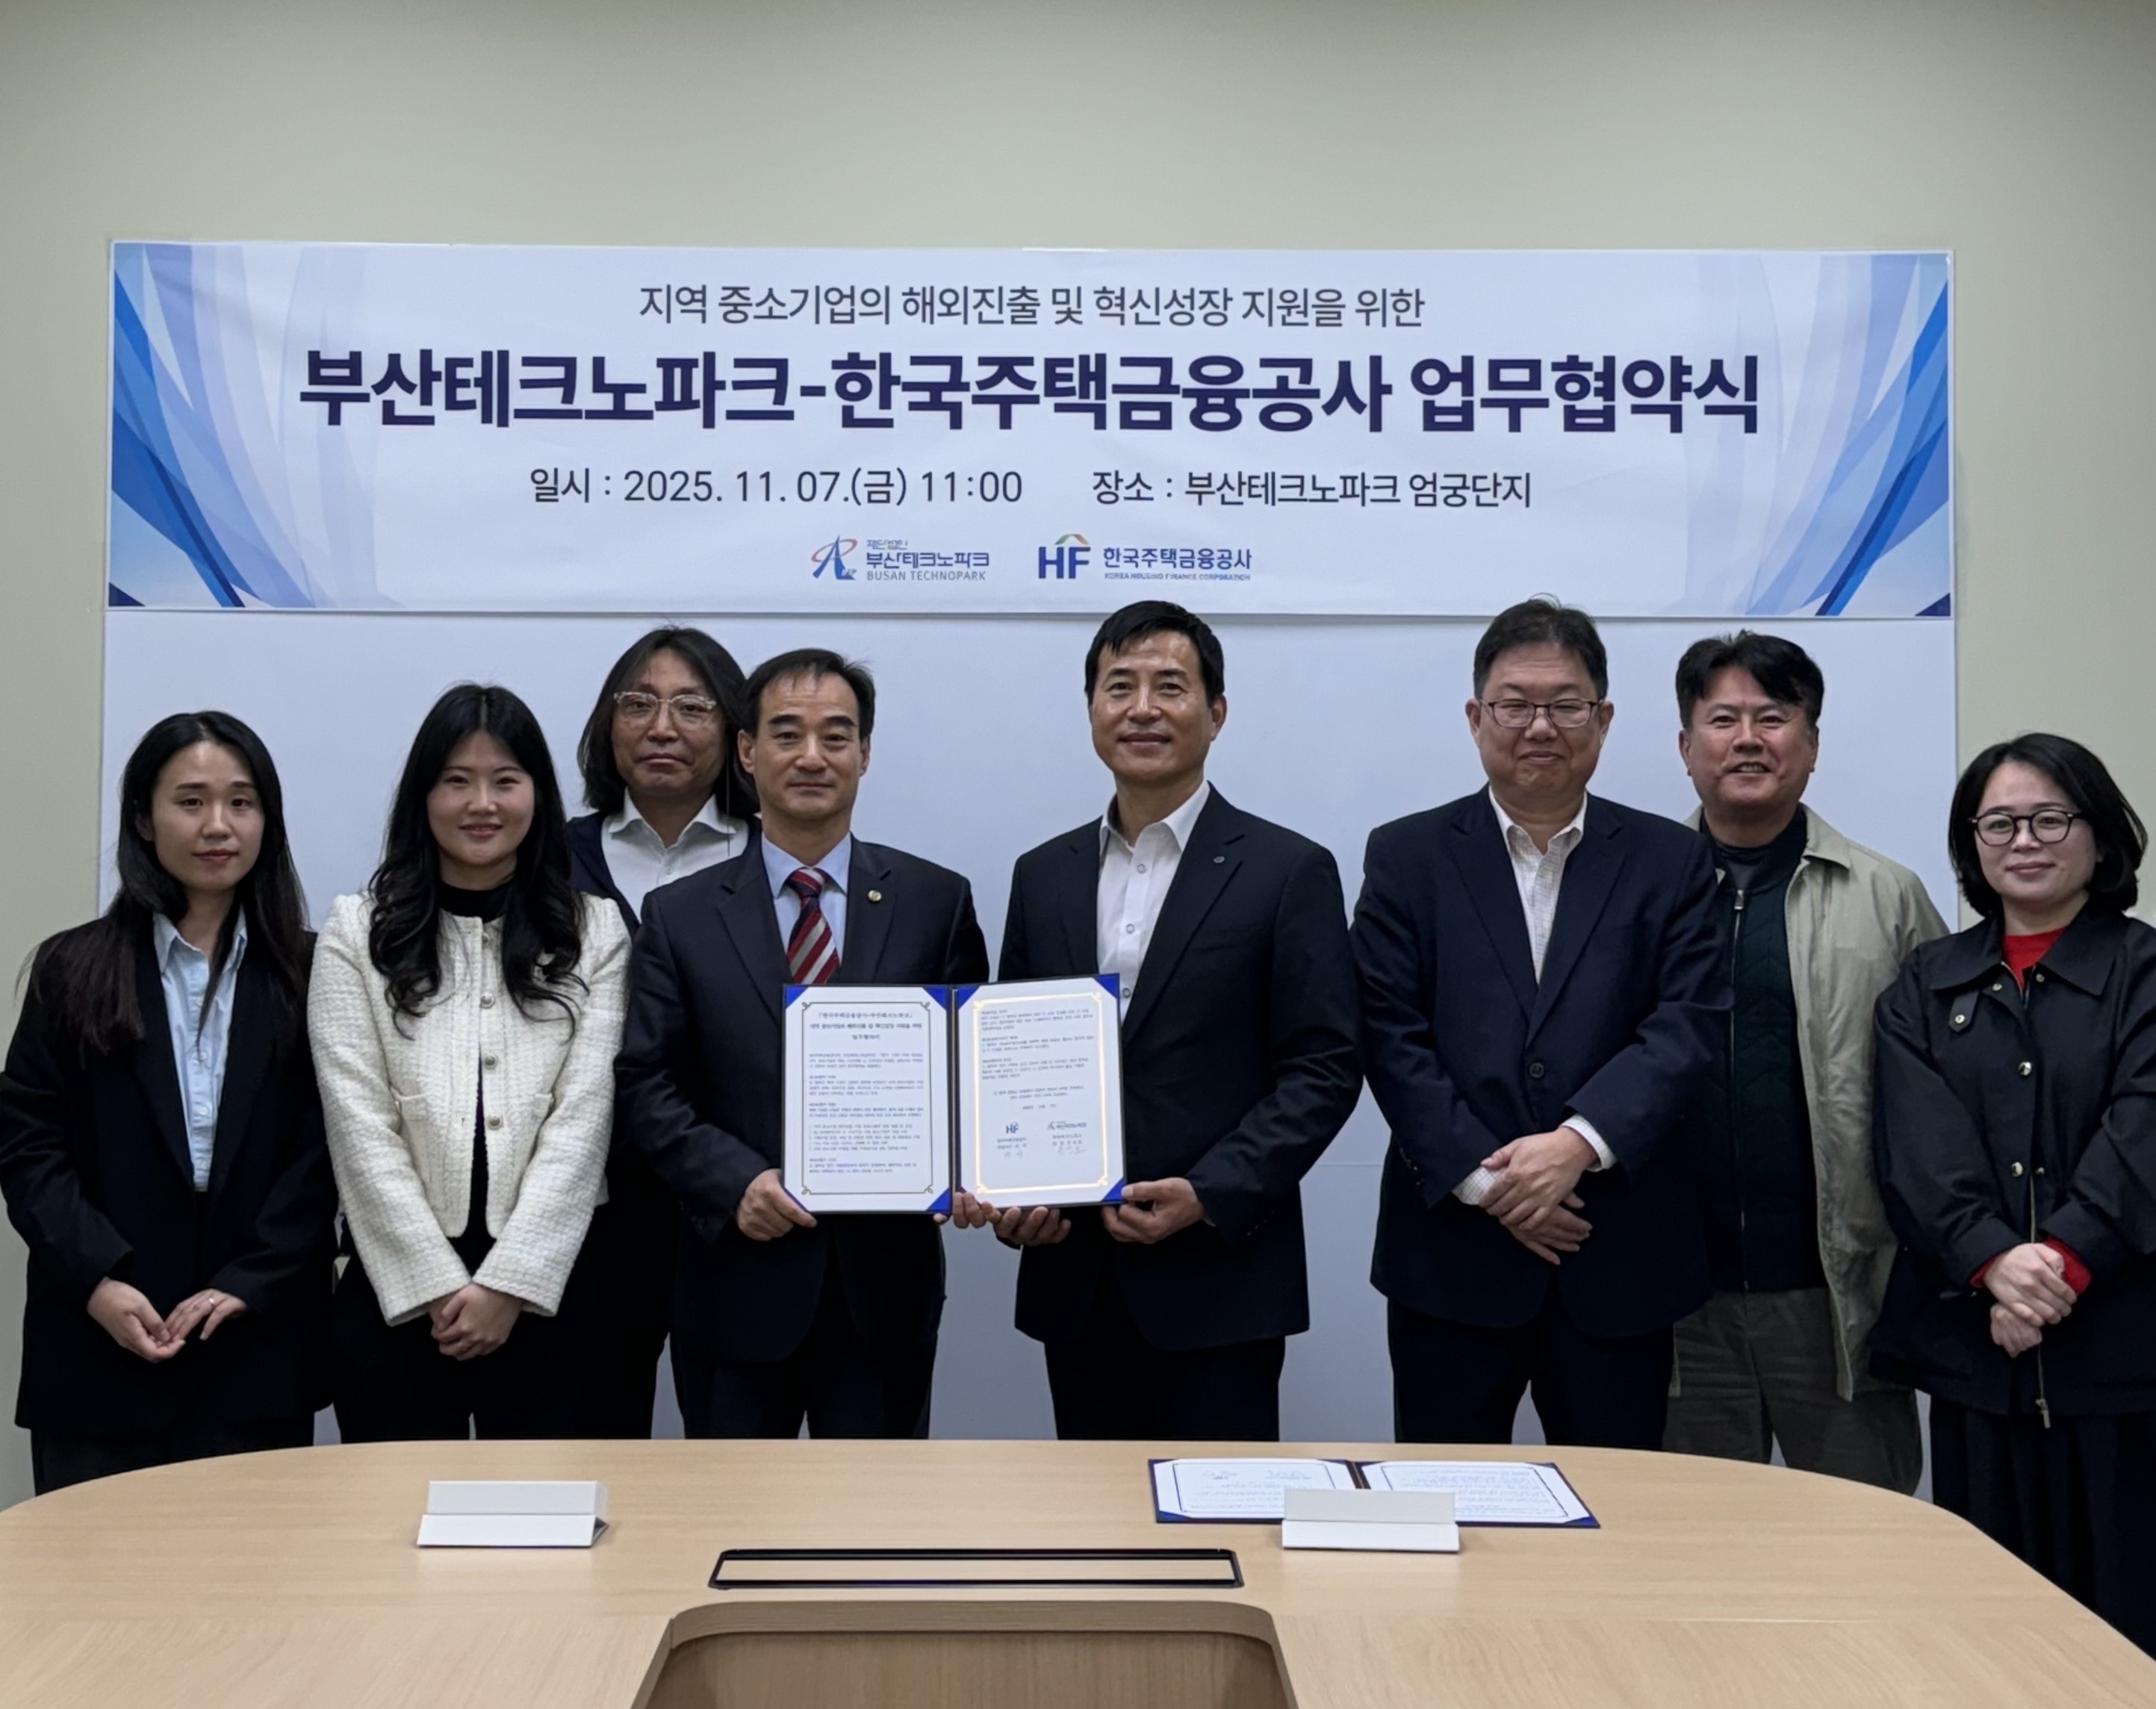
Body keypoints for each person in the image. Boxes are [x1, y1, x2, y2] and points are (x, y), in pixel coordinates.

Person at [966, 602, 1361, 1442]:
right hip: (1075, 1275)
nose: (1142, 708)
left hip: (1220, 1276)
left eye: (1169, 687)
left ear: (1215, 713)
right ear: (1091, 711)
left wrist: (1209, 1193)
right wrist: (1015, 1194)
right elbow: (1009, 1062)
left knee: (1218, 1512)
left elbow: (1323, 1068)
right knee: (1090, 1519)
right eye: (1119, 687)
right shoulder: (1042, 875)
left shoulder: (1287, 870)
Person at [1354, 597, 1725, 1449]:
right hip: (1451, 1257)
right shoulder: (1406, 856)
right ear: (1475, 717)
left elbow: (1685, 1026)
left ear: (1603, 720)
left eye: (1565, 704)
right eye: (1514, 704)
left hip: (1614, 1249)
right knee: (1445, 1502)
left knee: (1618, 1509)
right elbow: (1388, 1032)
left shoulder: (1671, 861)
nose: (1539, 726)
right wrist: (1489, 1184)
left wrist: (1576, 1146)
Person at [616, 648, 989, 1438]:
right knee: (731, 1507)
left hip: (883, 1290)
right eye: (787, 734)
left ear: (864, 753)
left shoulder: (936, 902)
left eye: (836, 735)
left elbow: (971, 1078)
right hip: (734, 1281)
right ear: (747, 752)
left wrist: (971, 1166)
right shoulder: (680, 915)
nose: (812, 756)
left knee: (879, 1514)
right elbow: (646, 1083)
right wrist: (735, 1182)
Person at [1873, 734, 2156, 1653]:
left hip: (2121, 1359)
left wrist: (2057, 1263)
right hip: (1978, 1357)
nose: (2023, 841)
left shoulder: (2145, 972)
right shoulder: (1925, 983)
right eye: (1997, 823)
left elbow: (2143, 1134)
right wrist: (1993, 1261)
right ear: (1971, 843)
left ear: (2099, 834)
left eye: (2048, 819)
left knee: (2126, 1625)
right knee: (1992, 1634)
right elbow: (1917, 1149)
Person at [0, 713, 333, 1493]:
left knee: (251, 1567)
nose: (218, 825)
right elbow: (27, 1143)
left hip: (256, 1349)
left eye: (241, 802)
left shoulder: (314, 971)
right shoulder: (72, 968)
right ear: (145, 821)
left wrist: (252, 1281)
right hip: (98, 1348)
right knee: (95, 1571)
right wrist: (98, 1279)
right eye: (190, 801)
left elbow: (331, 1149)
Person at [308, 684, 629, 1441]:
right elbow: (358, 1126)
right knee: (394, 1509)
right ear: (423, 796)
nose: (481, 803)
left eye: (504, 780)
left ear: (537, 796)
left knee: (551, 1511)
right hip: (397, 1293)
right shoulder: (356, 931)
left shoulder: (595, 931)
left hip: (555, 1292)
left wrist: (511, 1283)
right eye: (456, 780)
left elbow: (584, 1121)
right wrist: (433, 1281)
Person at [1664, 632, 1944, 1491]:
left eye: (1774, 718)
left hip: (1840, 1300)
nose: (1748, 740)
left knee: (1863, 1546)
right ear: (1685, 747)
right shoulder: (1639, 889)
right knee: (1687, 1548)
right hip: (1677, 1304)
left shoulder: (1886, 896)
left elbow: (1945, 1096)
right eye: (1723, 720)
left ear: (1812, 745)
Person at [568, 626, 756, 1438]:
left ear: (737, 733)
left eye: (692, 707)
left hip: (738, 1205)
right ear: (607, 724)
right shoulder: (547, 857)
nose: (662, 727)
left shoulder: (776, 859)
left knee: (734, 1457)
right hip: (589, 1210)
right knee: (591, 1448)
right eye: (638, 703)